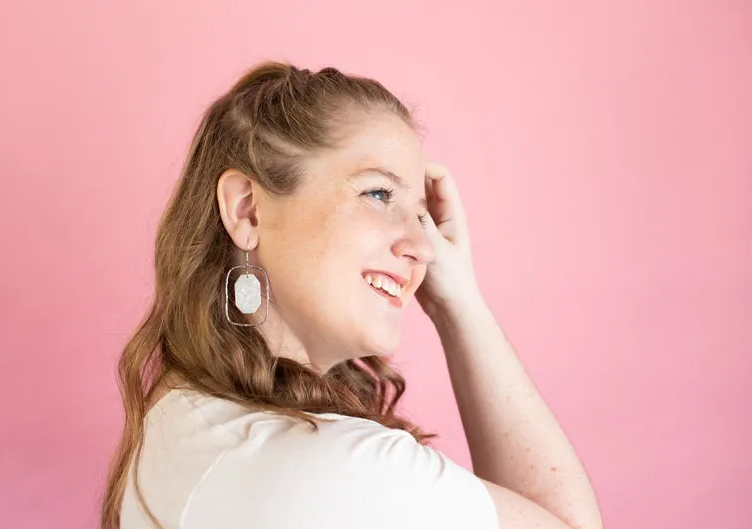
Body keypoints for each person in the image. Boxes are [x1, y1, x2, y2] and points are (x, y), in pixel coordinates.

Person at [100, 61, 603, 529]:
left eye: (421, 214)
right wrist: (460, 302)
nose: (425, 248)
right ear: (248, 210)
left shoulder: (175, 419)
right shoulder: (344, 465)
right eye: (379, 194)